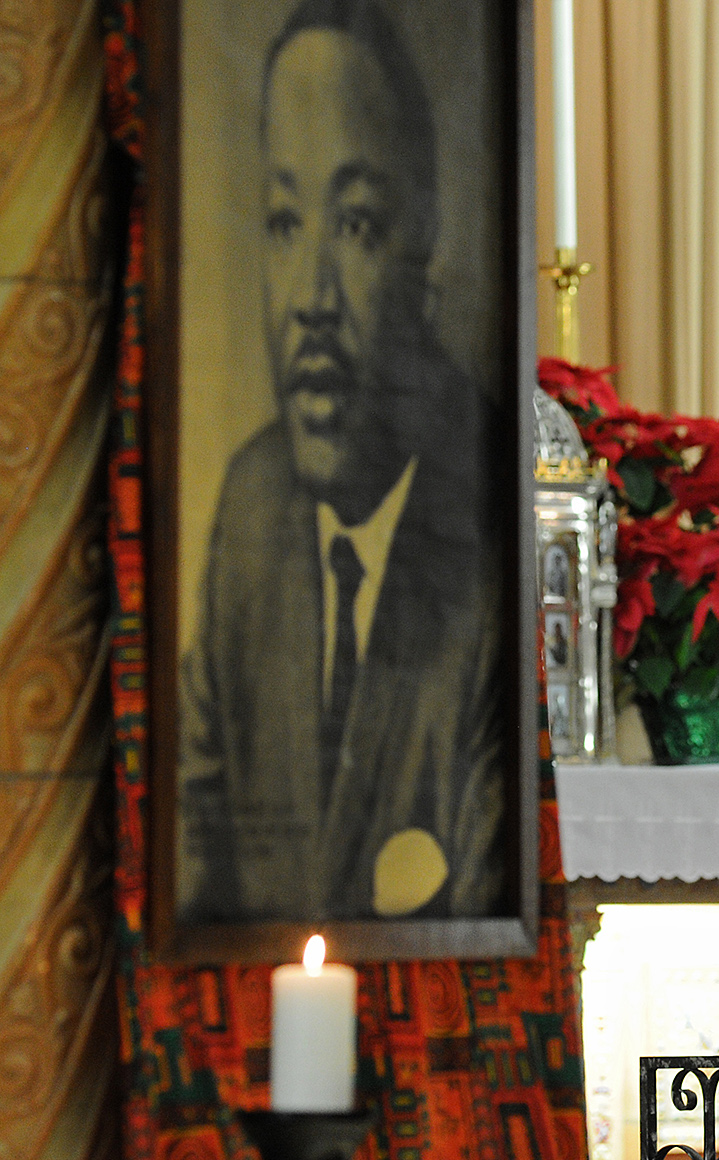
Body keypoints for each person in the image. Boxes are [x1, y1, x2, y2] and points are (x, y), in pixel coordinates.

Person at [177, 0, 505, 922]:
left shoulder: (486, 535)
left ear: (426, 240)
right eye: (286, 223)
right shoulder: (251, 508)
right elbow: (193, 865)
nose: (311, 300)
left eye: (356, 225)